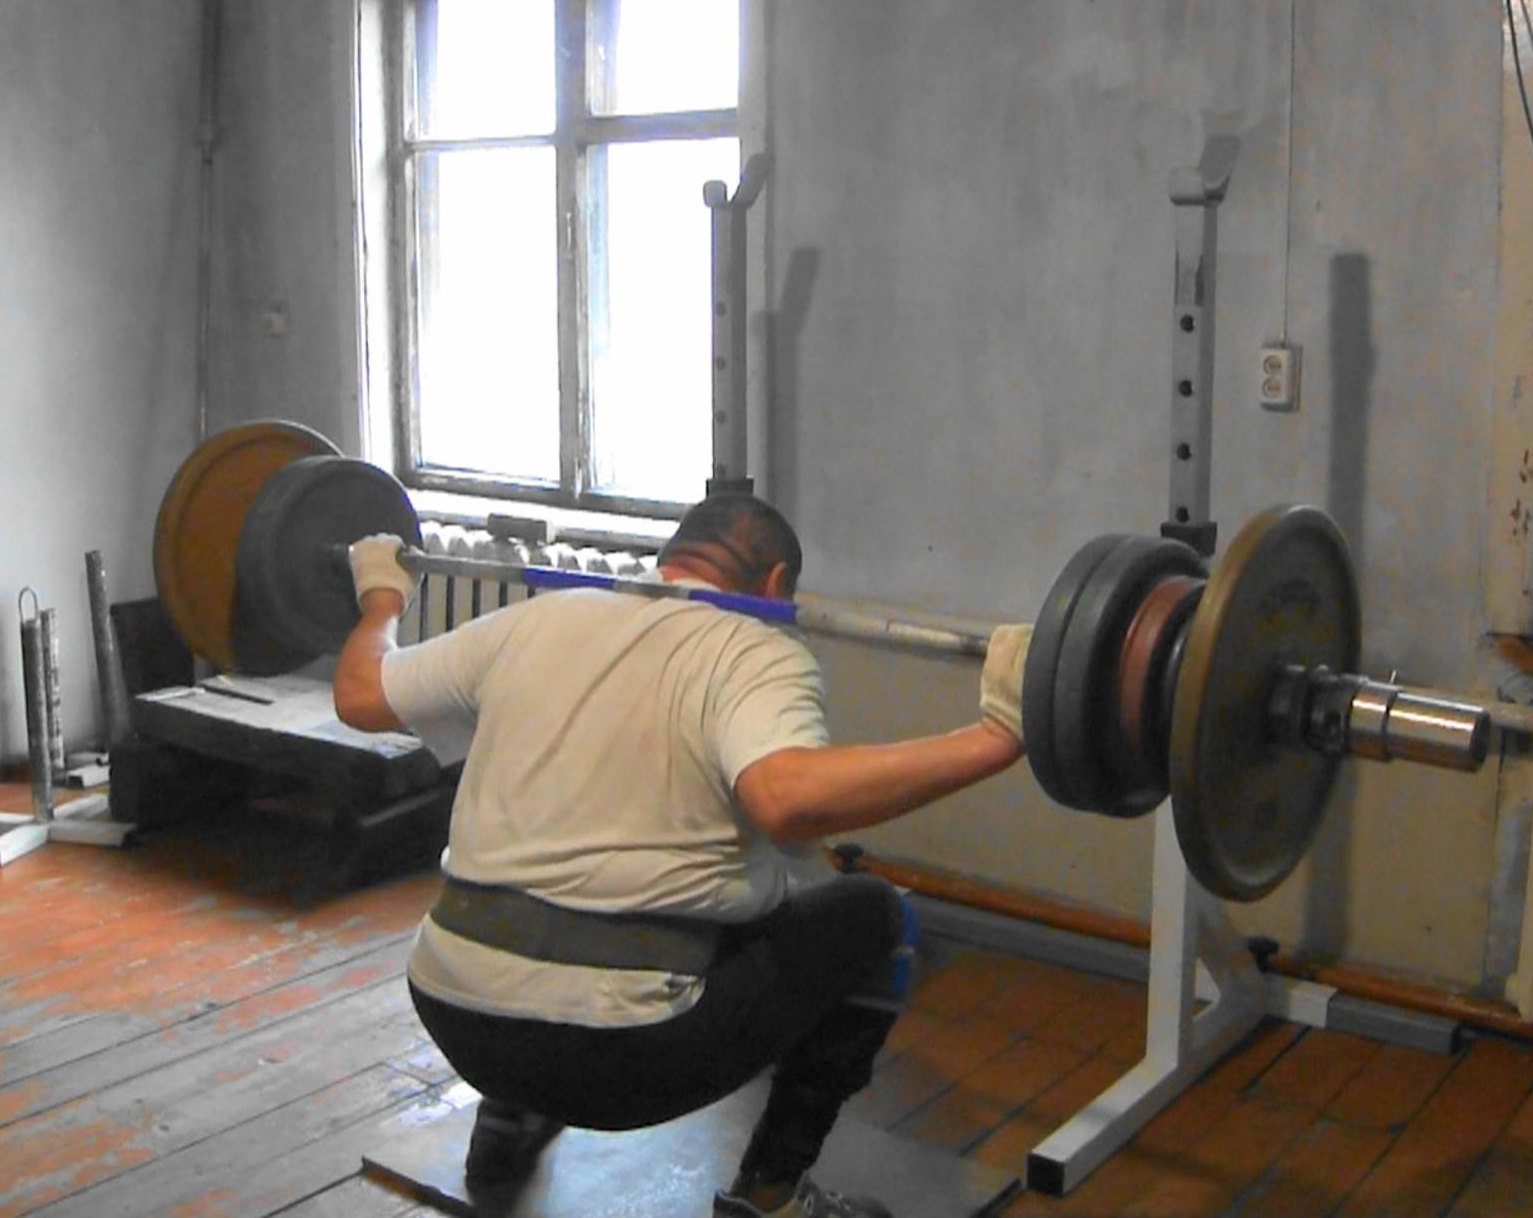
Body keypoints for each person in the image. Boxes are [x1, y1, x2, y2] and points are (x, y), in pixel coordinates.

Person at [332, 493, 1032, 1218]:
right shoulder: (754, 647)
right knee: (878, 918)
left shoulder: (536, 618)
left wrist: (383, 595)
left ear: (669, 557)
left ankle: (505, 1126)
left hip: (453, 1016)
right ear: (776, 585)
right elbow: (785, 801)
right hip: (625, 1060)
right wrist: (993, 739)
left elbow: (358, 694)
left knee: (602, 887)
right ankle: (772, 1196)